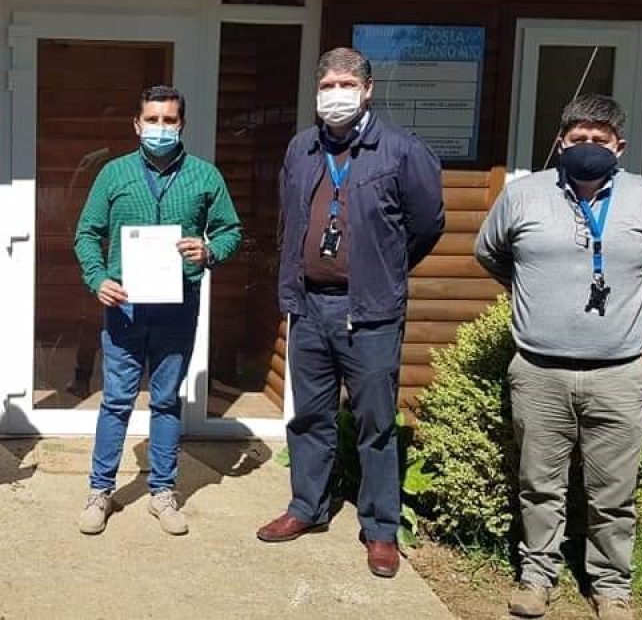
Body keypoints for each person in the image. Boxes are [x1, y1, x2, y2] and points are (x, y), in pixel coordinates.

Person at [475, 94, 642, 620]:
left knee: (612, 492)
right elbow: (491, 252)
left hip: (618, 373)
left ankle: (612, 586)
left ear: (619, 146)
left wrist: (627, 300)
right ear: (560, 142)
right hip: (539, 372)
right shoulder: (522, 195)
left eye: (599, 139)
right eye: (578, 139)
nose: (588, 146)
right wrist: (535, 295)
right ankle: (536, 577)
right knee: (538, 486)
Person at [257, 47, 445, 578]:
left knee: (375, 423)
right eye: (327, 86)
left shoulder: (402, 150)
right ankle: (306, 507)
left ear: (367, 90)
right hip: (309, 305)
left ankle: (380, 529)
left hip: (370, 311)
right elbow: (290, 217)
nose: (335, 94)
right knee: (309, 416)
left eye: (346, 84)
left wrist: (382, 268)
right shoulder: (301, 149)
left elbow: (426, 224)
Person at [73, 85, 242, 536]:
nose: (160, 128)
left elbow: (230, 230)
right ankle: (100, 491)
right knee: (117, 400)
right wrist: (97, 278)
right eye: (152, 119)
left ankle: (163, 492)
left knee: (166, 400)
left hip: (177, 305)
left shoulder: (205, 177)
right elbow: (86, 233)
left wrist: (209, 251)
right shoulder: (113, 174)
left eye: (169, 120)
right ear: (137, 124)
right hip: (125, 307)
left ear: (181, 124)